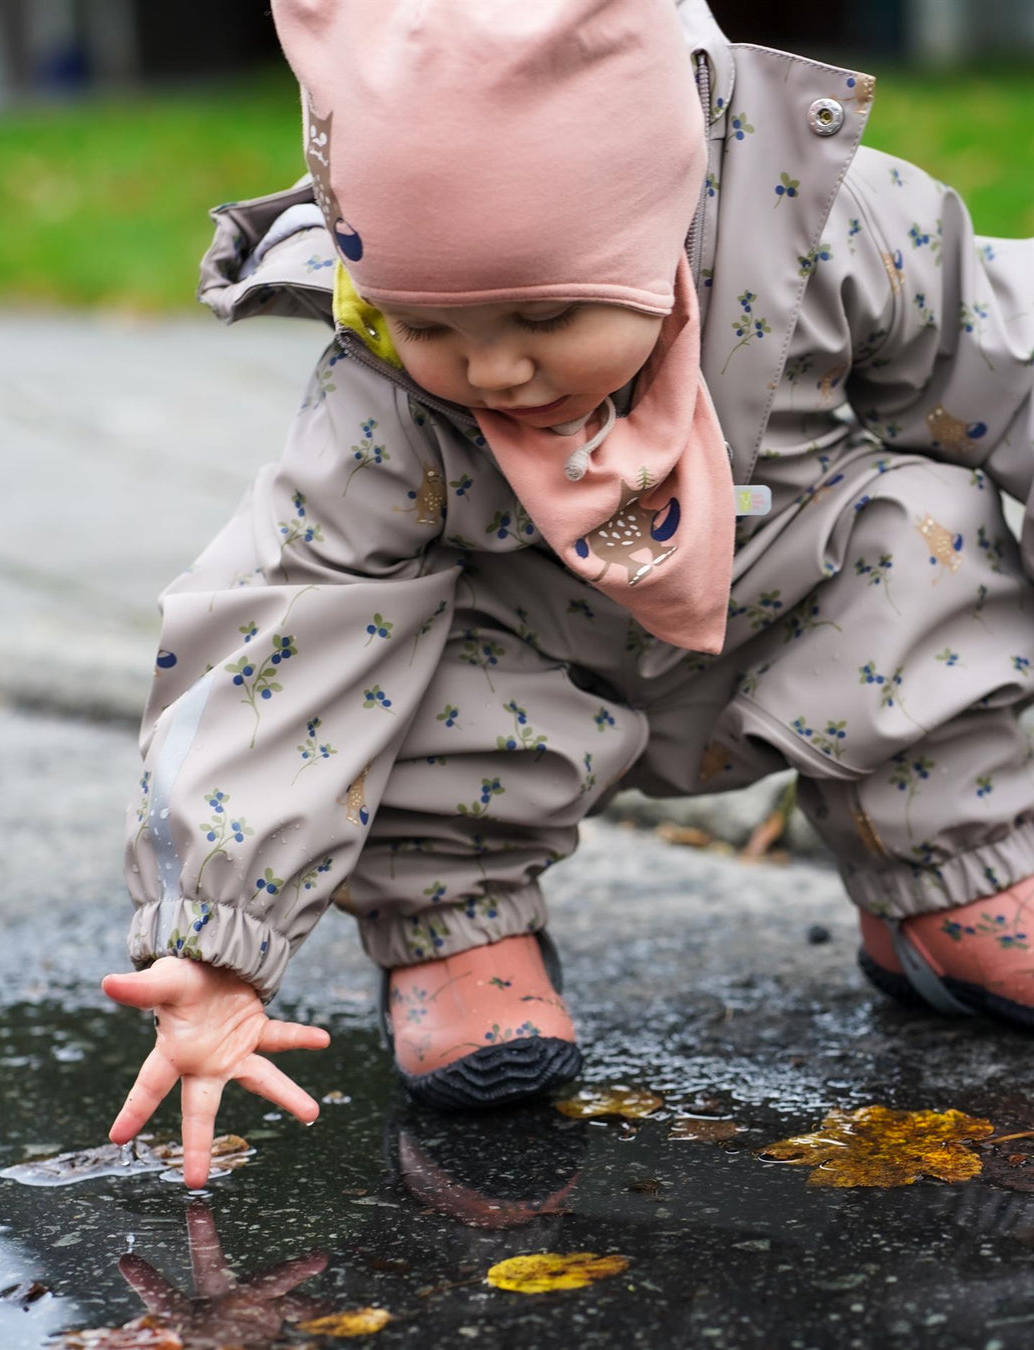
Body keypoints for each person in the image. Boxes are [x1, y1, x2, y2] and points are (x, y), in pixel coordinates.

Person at [104, 0, 1034, 1188]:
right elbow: (279, 631)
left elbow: (1004, 360)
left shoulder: (828, 235)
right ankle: (461, 936)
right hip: (524, 677)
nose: (494, 368)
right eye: (433, 323)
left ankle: (949, 879)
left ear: (661, 221)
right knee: (388, 650)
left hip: (792, 608)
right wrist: (214, 942)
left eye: (546, 315)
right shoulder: (383, 402)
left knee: (927, 527)